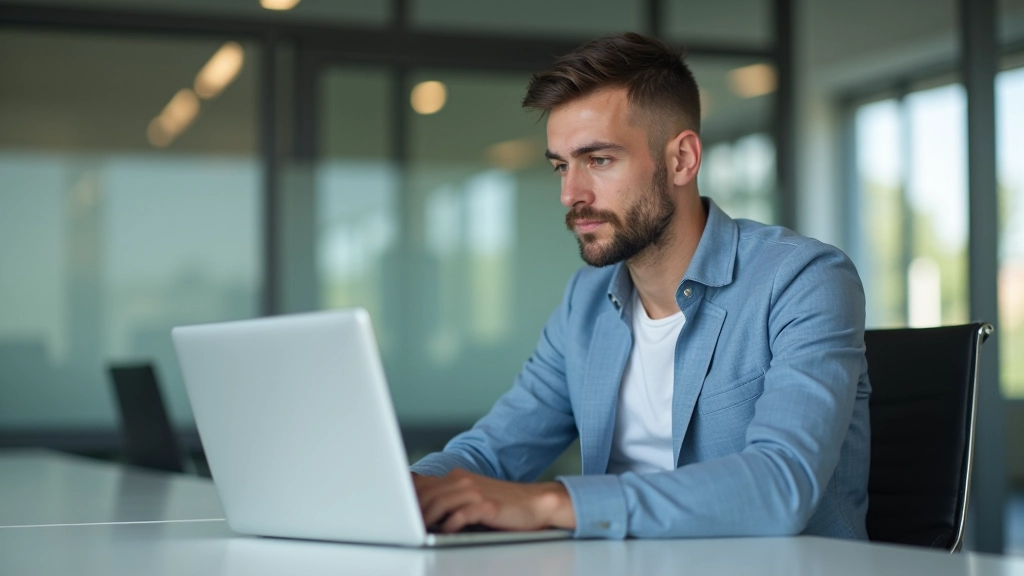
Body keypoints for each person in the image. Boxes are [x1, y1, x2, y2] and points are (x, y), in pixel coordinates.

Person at [410, 32, 870, 540]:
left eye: (599, 160)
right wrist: (403, 489)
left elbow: (781, 483)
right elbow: (490, 453)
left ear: (681, 160)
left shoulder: (803, 280)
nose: (570, 193)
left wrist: (552, 501)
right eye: (562, 165)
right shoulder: (583, 303)